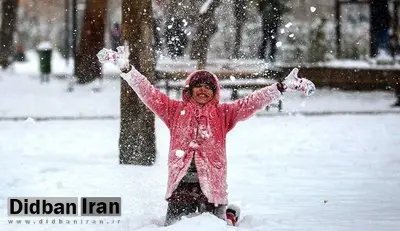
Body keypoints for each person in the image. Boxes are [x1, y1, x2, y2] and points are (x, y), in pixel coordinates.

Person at [116, 51, 313, 225]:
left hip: (212, 185)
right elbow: (149, 93)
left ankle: (230, 215)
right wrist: (127, 70)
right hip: (181, 185)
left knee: (215, 227)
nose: (203, 90)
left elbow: (252, 102)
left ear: (215, 92)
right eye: (198, 86)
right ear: (189, 90)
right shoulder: (174, 111)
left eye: (208, 87)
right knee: (174, 227)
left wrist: (280, 87)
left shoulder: (224, 113)